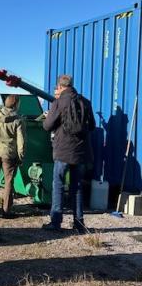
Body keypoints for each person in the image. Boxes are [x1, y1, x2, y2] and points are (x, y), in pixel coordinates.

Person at [42, 74, 96, 232]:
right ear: (72, 85)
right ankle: (79, 223)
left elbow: (47, 126)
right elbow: (91, 126)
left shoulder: (59, 102)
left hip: (63, 151)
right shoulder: (85, 102)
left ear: (60, 87)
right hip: (80, 152)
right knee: (77, 186)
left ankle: (56, 222)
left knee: (58, 184)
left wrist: (49, 118)